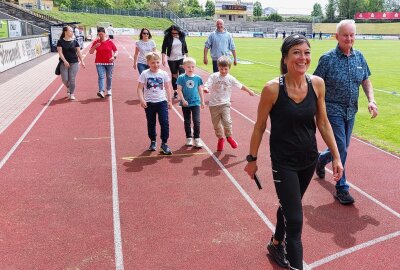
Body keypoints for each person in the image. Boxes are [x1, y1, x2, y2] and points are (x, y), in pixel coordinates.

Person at [244, 34, 343, 270]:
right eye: (297, 52)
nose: (303, 57)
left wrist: (336, 156)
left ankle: (276, 242)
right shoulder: (272, 89)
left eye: (307, 52)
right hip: (284, 162)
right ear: (285, 58)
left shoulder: (317, 83)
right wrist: (252, 159)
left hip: (308, 160)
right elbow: (259, 126)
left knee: (290, 205)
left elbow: (324, 123)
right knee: (296, 221)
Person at [313, 19, 378, 205]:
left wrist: (371, 100)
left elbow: (366, 80)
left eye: (352, 35)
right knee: (341, 147)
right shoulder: (327, 59)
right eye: (345, 35)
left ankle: (321, 159)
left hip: (351, 111)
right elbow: (316, 83)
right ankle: (341, 188)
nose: (349, 38)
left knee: (342, 147)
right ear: (337, 37)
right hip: (332, 110)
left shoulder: (360, 58)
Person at [204, 56, 255, 151]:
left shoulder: (230, 78)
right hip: (213, 105)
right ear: (218, 67)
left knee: (227, 121)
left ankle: (229, 137)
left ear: (229, 68)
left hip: (225, 104)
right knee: (216, 125)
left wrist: (249, 91)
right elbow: (208, 83)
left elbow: (240, 85)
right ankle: (220, 139)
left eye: (225, 69)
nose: (223, 71)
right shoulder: (214, 76)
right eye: (221, 68)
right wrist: (206, 88)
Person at [137, 52, 173, 155]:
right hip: (149, 103)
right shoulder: (145, 74)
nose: (156, 65)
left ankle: (164, 143)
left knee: (164, 123)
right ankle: (153, 141)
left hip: (162, 102)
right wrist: (142, 100)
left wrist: (169, 101)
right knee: (151, 123)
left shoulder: (163, 73)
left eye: (157, 62)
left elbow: (167, 87)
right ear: (148, 63)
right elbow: (139, 88)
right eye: (153, 63)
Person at [176, 57, 205, 148]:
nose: (191, 69)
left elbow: (200, 90)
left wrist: (202, 101)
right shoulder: (181, 78)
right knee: (187, 121)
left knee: (197, 121)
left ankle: (197, 138)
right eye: (188, 67)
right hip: (186, 104)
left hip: (196, 103)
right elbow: (179, 90)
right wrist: (183, 100)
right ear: (184, 67)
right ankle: (189, 137)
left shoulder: (198, 78)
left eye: (193, 67)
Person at [57, 25, 85, 100]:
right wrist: (65, 61)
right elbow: (60, 52)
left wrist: (82, 61)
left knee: (72, 78)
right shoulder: (60, 41)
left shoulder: (75, 41)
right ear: (65, 32)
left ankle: (72, 93)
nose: (72, 32)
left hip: (74, 62)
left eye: (72, 31)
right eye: (71, 31)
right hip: (64, 63)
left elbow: (79, 52)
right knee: (65, 79)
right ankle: (69, 87)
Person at [89, 27, 118, 98]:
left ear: (105, 33)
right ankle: (101, 91)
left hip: (109, 62)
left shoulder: (110, 42)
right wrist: (94, 47)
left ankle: (108, 89)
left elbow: (116, 50)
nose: (100, 36)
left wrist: (114, 57)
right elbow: (90, 52)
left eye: (101, 34)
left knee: (109, 77)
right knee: (101, 76)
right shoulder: (96, 42)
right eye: (99, 34)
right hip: (99, 63)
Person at [162, 25, 188, 99]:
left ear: (178, 32)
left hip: (181, 58)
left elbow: (185, 47)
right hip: (171, 59)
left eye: (176, 33)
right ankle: (175, 90)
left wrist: (187, 57)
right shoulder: (167, 37)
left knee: (182, 74)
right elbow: (164, 48)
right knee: (174, 75)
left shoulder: (182, 36)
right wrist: (163, 59)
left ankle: (182, 90)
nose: (174, 34)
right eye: (172, 33)